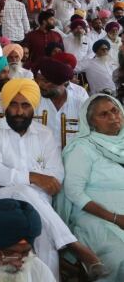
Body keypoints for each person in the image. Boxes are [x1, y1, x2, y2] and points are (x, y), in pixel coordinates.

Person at [0, 79, 105, 279]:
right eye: (13, 104)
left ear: (34, 107)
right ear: (5, 105)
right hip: (1, 199)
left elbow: (56, 175)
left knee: (43, 233)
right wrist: (34, 177)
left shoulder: (45, 134)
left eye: (25, 105)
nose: (19, 111)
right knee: (23, 191)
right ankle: (73, 244)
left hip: (40, 200)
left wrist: (35, 181)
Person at [56, 94, 124, 281]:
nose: (113, 117)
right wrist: (116, 218)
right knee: (119, 256)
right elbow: (74, 192)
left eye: (115, 110)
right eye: (104, 114)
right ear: (91, 123)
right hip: (96, 217)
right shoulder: (82, 148)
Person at [34, 58, 85, 143]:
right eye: (38, 80)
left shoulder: (80, 104)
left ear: (61, 83)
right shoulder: (34, 102)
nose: (40, 85)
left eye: (45, 81)